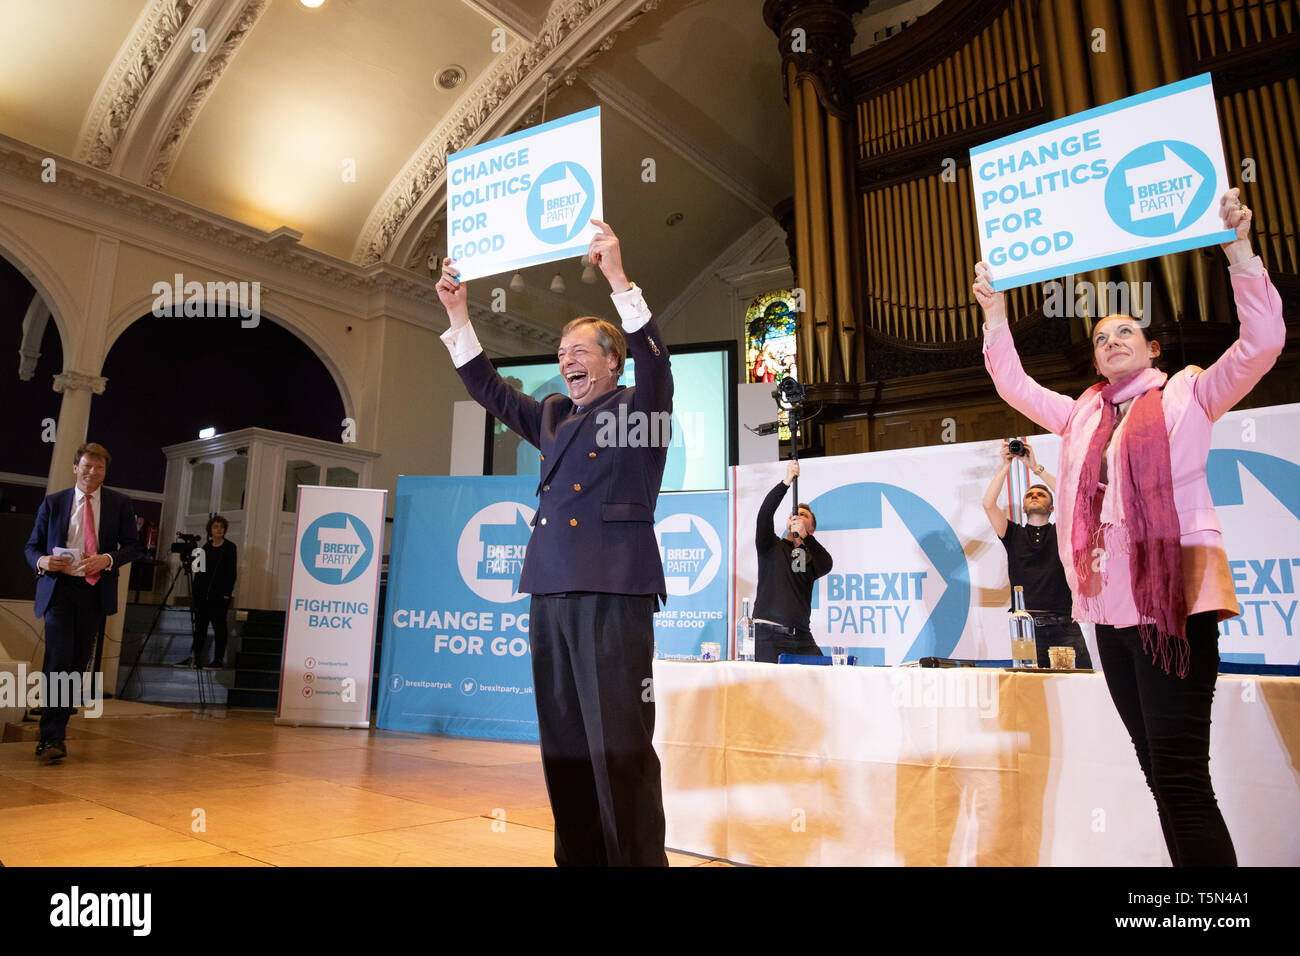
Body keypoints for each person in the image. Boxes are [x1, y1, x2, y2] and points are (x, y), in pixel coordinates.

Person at [973, 188, 1284, 866]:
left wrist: (1238, 251)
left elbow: (1263, 343)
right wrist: (996, 314)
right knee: (1156, 772)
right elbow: (1015, 386)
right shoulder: (1081, 413)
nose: (1112, 341)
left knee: (1181, 776)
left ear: (1152, 346)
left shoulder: (1190, 394)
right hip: (1109, 613)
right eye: (1101, 337)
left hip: (1172, 603)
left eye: (1125, 333)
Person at [436, 219, 672, 867]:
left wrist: (618, 278)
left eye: (580, 350)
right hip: (549, 589)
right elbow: (487, 388)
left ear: (611, 360)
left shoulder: (639, 409)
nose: (565, 358)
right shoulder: (551, 416)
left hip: (612, 591)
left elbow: (657, 365)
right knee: (565, 746)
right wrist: (459, 314)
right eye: (562, 351)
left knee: (617, 746)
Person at [24, 442, 139, 761]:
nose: (92, 473)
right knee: (59, 658)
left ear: (105, 471)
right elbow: (32, 546)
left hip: (94, 591)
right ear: (76, 468)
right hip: (59, 590)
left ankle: (57, 723)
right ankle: (51, 738)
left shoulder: (119, 503)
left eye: (99, 468)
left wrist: (106, 558)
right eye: (87, 466)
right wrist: (42, 561)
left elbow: (132, 547)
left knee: (77, 663)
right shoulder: (54, 503)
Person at [981, 439, 1092, 668]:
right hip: (1027, 630)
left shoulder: (1063, 532)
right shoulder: (1012, 534)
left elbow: (1073, 497)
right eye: (1030, 495)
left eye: (1041, 495)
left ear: (1052, 508)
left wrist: (1035, 468)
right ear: (1023, 507)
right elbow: (988, 504)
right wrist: (1006, 465)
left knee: (1080, 689)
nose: (1034, 496)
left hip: (1065, 627)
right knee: (1032, 693)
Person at [752, 459, 833, 662]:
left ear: (811, 528)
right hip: (770, 634)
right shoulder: (771, 546)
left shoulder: (806, 556)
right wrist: (786, 482)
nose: (796, 514)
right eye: (794, 513)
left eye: (804, 514)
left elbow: (826, 563)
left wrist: (805, 538)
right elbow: (764, 515)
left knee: (823, 677)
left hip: (802, 636)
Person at [174, 514, 237, 669]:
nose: (219, 529)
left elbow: (231, 572)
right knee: (200, 628)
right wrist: (195, 593)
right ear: (210, 529)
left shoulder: (230, 547)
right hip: (202, 595)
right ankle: (194, 658)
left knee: (219, 627)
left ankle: (218, 660)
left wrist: (227, 592)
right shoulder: (205, 547)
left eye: (222, 527)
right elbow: (198, 571)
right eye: (216, 527)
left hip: (220, 595)